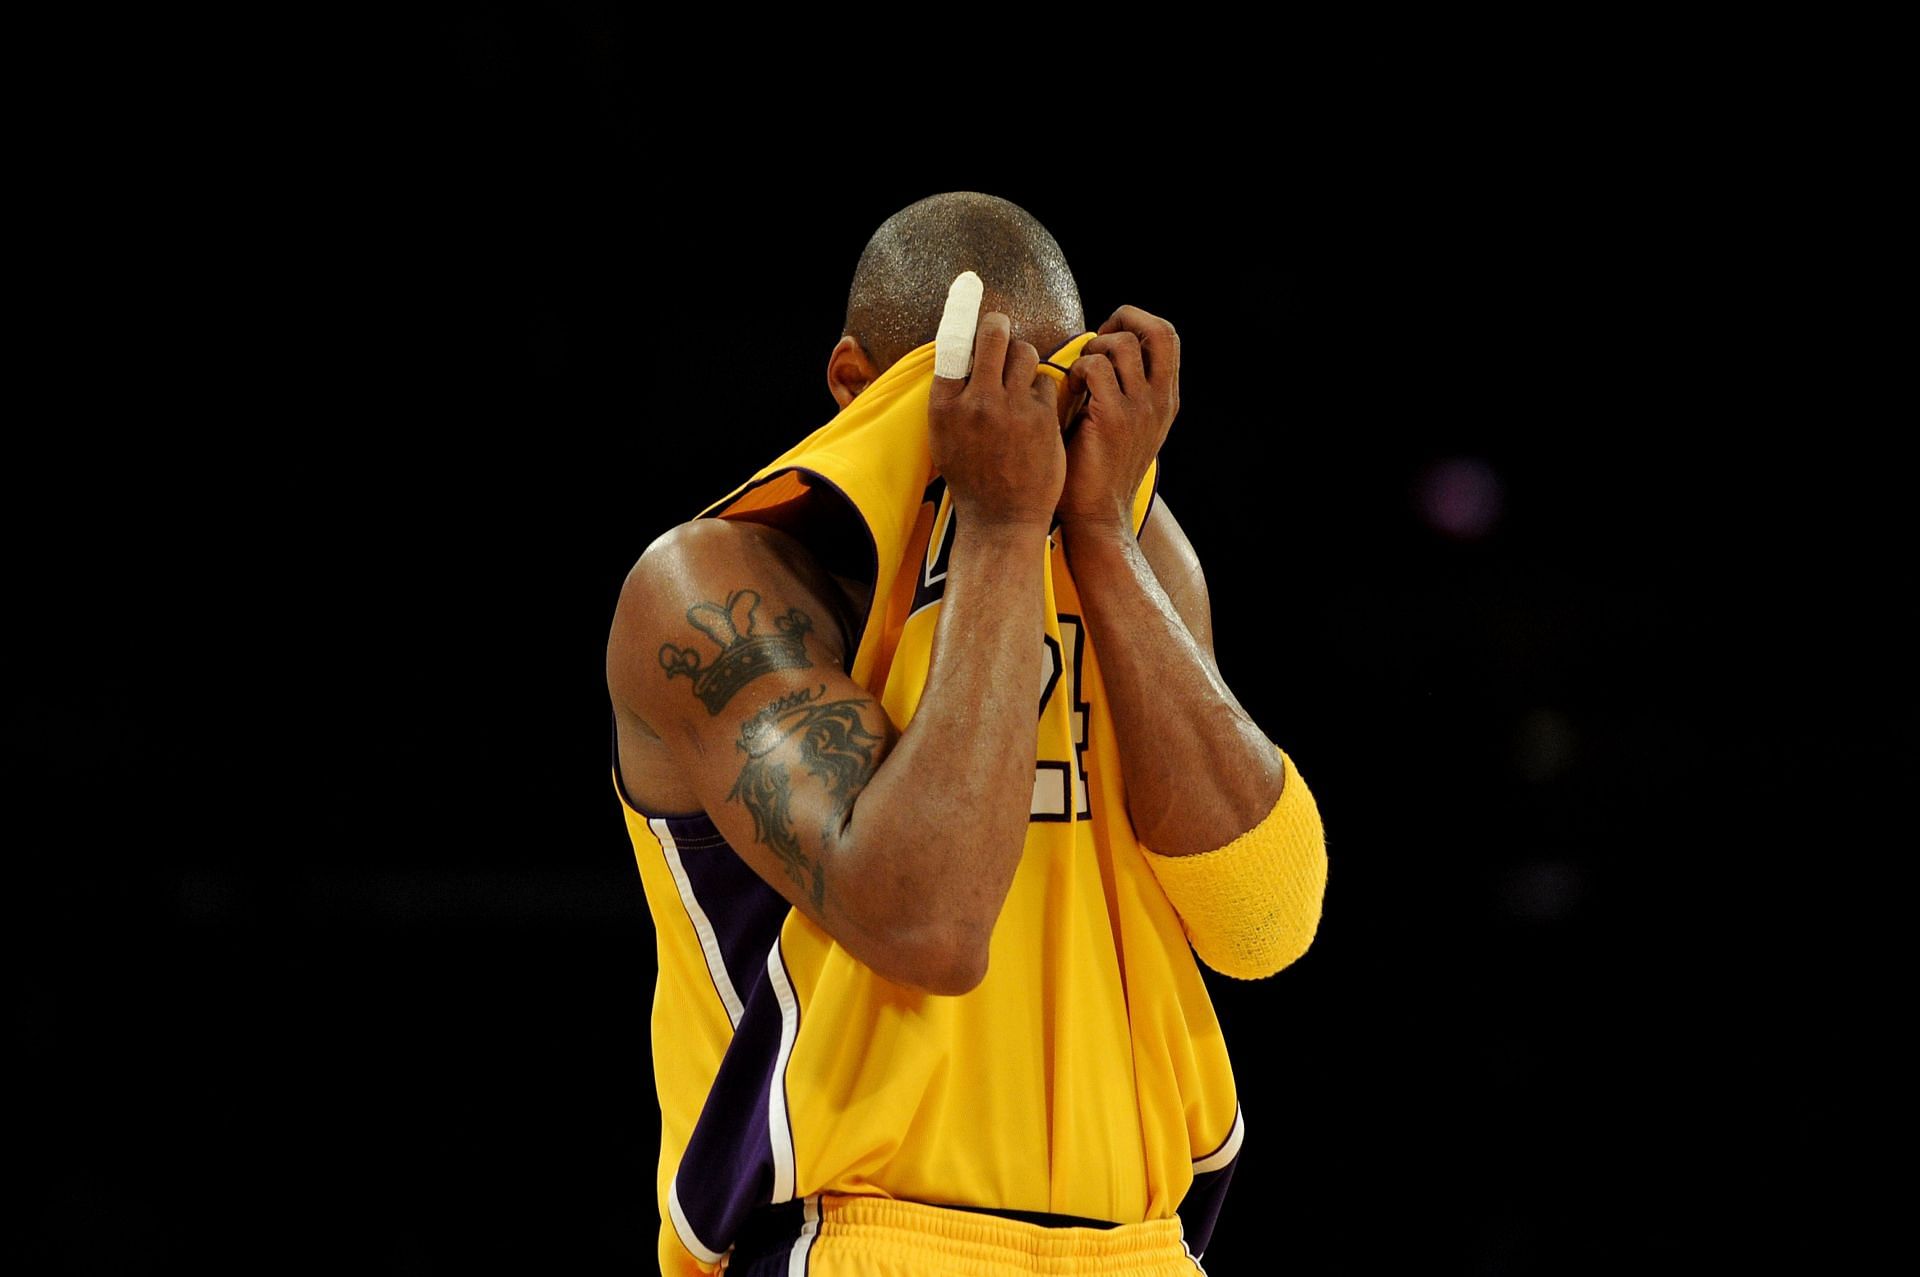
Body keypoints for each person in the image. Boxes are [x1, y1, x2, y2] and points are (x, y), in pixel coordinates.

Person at [605, 192, 1328, 1276]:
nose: (1021, 438)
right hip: (857, 1231)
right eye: (977, 399)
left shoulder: (1125, 547)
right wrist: (992, 527)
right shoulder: (715, 585)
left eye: (1049, 399)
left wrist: (1089, 532)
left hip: (1142, 1241)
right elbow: (929, 921)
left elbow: (1265, 919)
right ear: (854, 384)